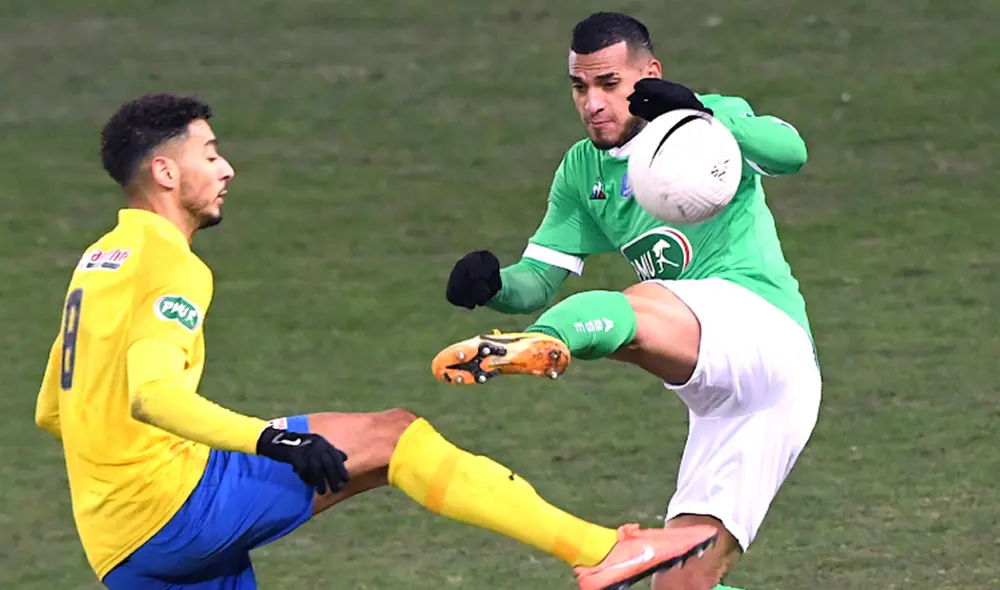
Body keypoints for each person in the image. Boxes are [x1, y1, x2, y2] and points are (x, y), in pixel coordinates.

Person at [32, 92, 718, 590]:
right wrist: (272, 441)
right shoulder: (170, 263)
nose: (226, 169)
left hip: (117, 543)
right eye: (209, 154)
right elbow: (151, 395)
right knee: (394, 437)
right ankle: (600, 551)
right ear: (165, 173)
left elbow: (54, 410)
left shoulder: (99, 263)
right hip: (176, 511)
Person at [433, 11, 820, 590]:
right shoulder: (581, 170)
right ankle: (546, 336)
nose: (593, 103)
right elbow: (540, 278)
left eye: (609, 84)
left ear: (648, 75)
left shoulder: (707, 121)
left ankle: (550, 342)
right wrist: (493, 286)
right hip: (727, 401)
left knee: (635, 305)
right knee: (682, 583)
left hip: (763, 333)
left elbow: (790, 153)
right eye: (580, 86)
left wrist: (701, 110)